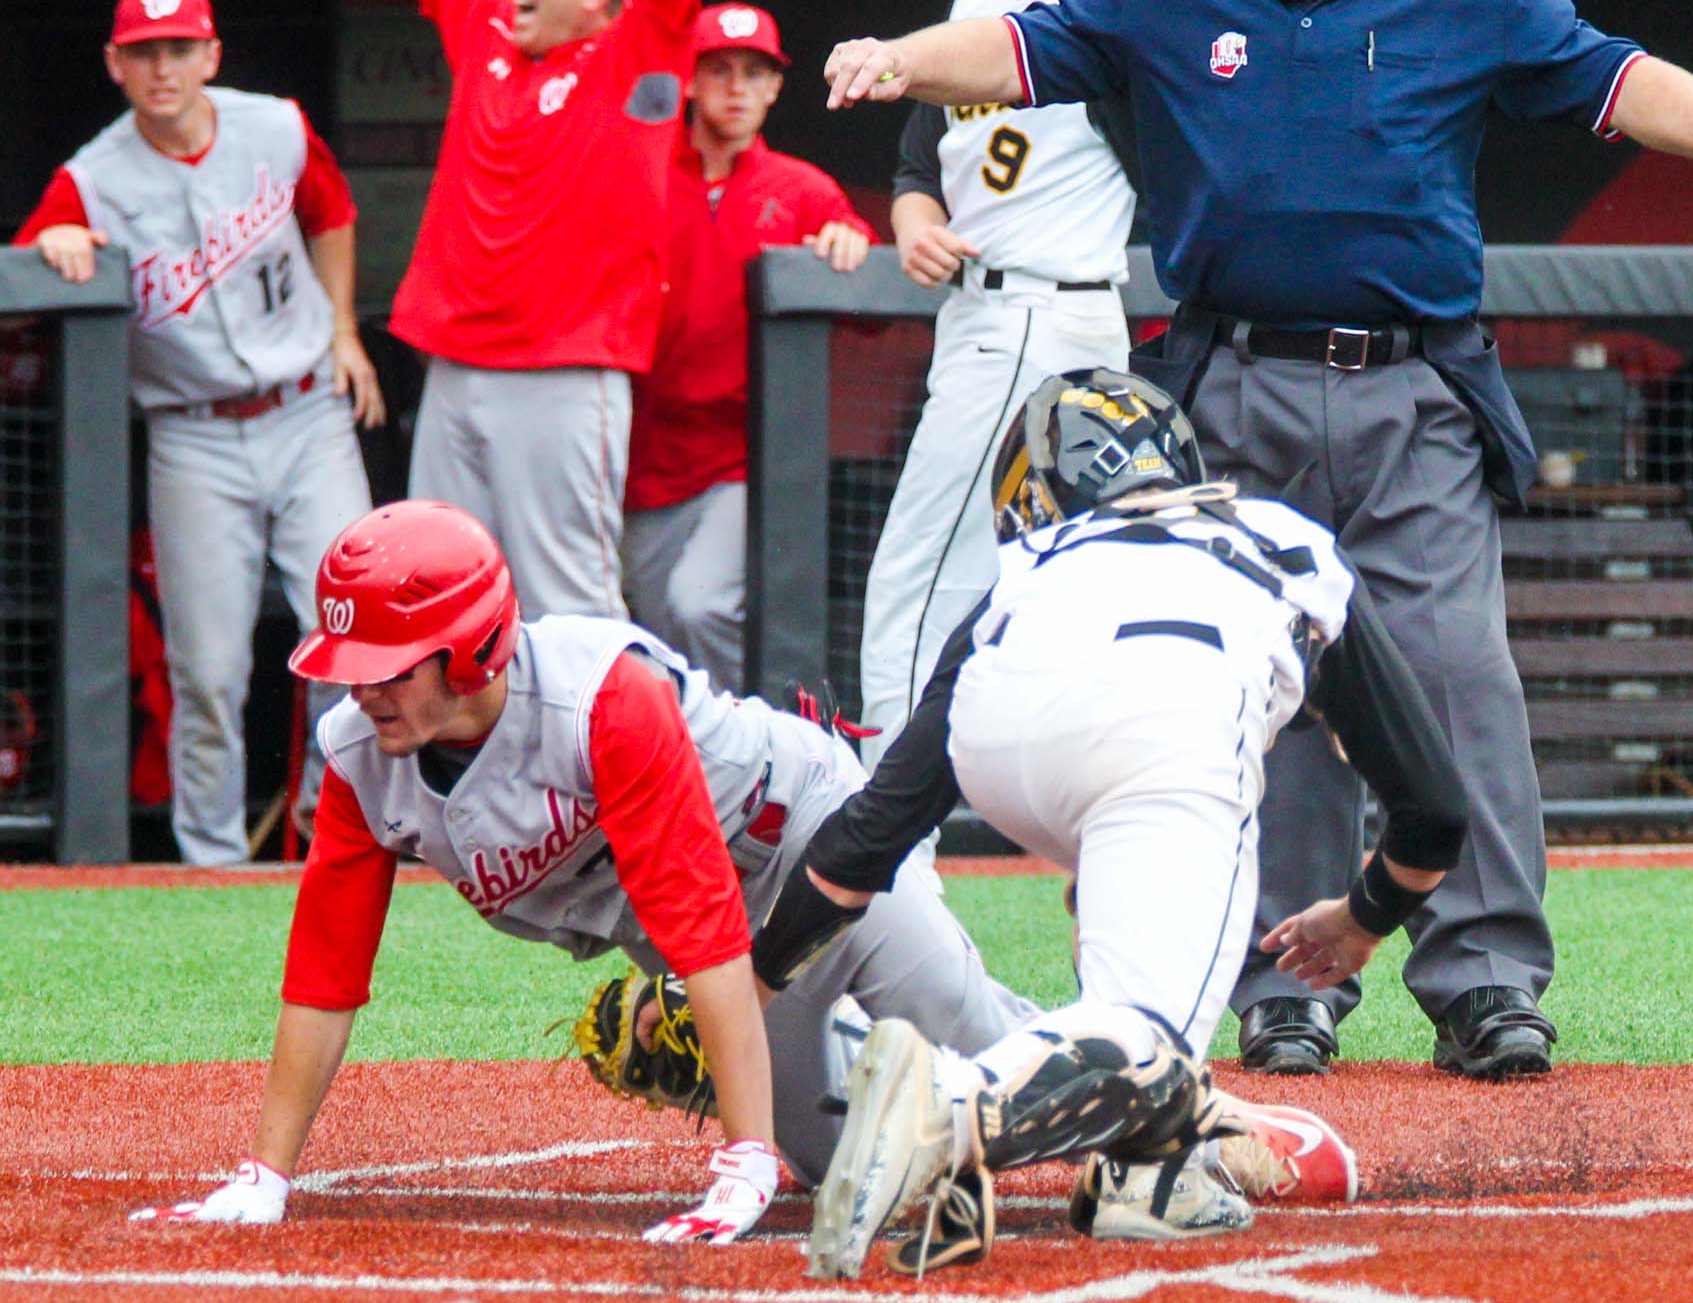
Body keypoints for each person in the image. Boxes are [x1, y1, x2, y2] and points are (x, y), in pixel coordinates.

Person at [822, 0, 1693, 1081]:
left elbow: (1612, 82)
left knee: (1459, 677)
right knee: (1262, 684)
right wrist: (899, 58)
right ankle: (1279, 987)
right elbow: (1021, 53)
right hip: (1231, 379)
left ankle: (1485, 980)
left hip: (1416, 387)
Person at [125, 499, 1046, 1239]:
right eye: (352, 667)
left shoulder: (600, 698)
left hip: (810, 846)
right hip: (701, 939)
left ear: (470, 647)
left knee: (984, 1049)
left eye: (389, 666)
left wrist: (741, 1155)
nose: (361, 691)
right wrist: (266, 1175)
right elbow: (325, 976)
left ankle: (1169, 1117)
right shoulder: (363, 755)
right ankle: (853, 1068)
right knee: (850, 1160)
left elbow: (702, 924)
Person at [799, 371, 1468, 1280]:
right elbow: (1435, 809)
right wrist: (1364, 915)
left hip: (1002, 746)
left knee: (1130, 914)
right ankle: (943, 1106)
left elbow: (862, 841)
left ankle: (1154, 1174)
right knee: (1147, 1023)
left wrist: (755, 975)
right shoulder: (1277, 534)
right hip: (1166, 725)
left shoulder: (1028, 566)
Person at [14, 0, 381, 866]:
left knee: (354, 632)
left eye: (180, 48)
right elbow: (20, 282)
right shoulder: (90, 179)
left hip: (307, 415)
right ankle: (213, 863)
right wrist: (48, 249)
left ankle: (343, 834)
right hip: (193, 433)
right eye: (144, 52)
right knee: (208, 670)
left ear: (212, 55)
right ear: (115, 64)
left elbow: (333, 215)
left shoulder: (276, 126)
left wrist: (342, 329)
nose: (163, 67)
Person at [857, 0, 1140, 822]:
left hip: (1033, 315)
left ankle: (879, 865)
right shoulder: (977, 1)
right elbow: (913, 164)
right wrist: (912, 223)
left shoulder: (1121, 2)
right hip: (991, 310)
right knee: (1053, 600)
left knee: (915, 589)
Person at [368, 0, 703, 622]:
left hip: (562, 376)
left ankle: (617, 748)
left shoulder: (637, 55)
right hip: (453, 369)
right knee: (439, 600)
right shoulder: (489, 25)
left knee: (569, 610)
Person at [623, 2, 875, 691]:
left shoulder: (801, 190)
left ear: (774, 88)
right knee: (652, 627)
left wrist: (850, 246)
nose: (736, 88)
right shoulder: (639, 174)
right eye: (719, 70)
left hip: (746, 455)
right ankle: (686, 773)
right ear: (690, 82)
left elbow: (875, 310)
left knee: (698, 603)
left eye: (754, 73)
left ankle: (742, 757)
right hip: (645, 455)